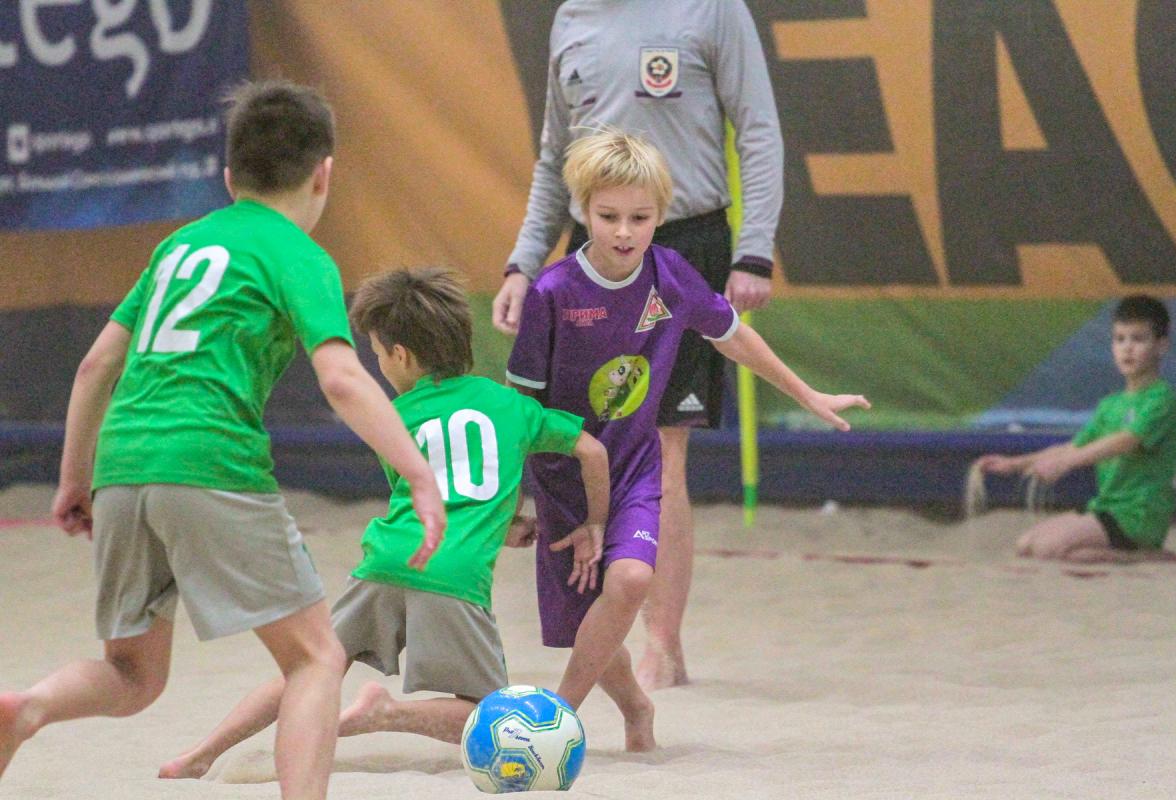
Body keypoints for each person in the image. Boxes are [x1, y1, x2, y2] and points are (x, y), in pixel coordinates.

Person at [0, 81, 447, 800]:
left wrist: (74, 479)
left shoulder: (177, 246)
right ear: (324, 174)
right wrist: (419, 474)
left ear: (230, 176)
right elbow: (341, 379)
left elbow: (96, 366)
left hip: (123, 465)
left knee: (132, 674)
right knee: (315, 659)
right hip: (211, 461)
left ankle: (29, 706)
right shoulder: (297, 253)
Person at [158, 267, 610, 780]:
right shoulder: (511, 405)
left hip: (386, 560)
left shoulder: (394, 417)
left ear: (401, 356)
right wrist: (593, 522)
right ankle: (387, 713)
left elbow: (425, 490)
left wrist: (502, 526)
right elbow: (591, 452)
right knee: (489, 713)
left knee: (307, 668)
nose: (378, 363)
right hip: (453, 574)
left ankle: (200, 754)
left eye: (376, 353)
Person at [506, 130, 867, 751]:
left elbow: (733, 334)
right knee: (588, 623)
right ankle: (636, 709)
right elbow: (518, 408)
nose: (625, 232)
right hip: (563, 478)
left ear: (661, 214)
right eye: (609, 217)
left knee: (628, 583)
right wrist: (512, 501)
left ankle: (555, 720)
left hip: (633, 468)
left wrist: (807, 393)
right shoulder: (552, 293)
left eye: (640, 217)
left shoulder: (670, 275)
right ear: (582, 211)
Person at [492, 0, 784, 691]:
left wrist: (754, 249)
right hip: (596, 243)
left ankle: (662, 643)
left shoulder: (712, 10)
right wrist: (523, 263)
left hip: (685, 240)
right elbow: (553, 159)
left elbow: (759, 130)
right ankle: (608, 624)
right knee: (590, 440)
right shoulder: (573, 18)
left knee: (661, 447)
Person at [977, 295, 1176, 563]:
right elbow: (1073, 446)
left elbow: (1125, 440)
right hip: (1106, 510)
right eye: (1120, 339)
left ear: (1161, 345)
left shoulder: (1162, 398)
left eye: (1138, 339)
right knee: (1026, 545)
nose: (1127, 348)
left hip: (1138, 516)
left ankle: (1144, 555)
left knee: (1047, 549)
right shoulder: (1110, 405)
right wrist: (1014, 464)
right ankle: (1139, 556)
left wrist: (1066, 464)